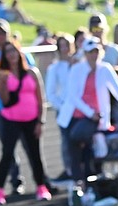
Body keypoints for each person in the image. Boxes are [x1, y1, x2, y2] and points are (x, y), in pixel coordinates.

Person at [57, 38, 118, 184]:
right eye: (90, 52)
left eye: (96, 51)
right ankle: (78, 182)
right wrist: (90, 113)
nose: (93, 55)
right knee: (74, 146)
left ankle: (90, 182)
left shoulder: (105, 69)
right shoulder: (77, 69)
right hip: (76, 116)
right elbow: (73, 96)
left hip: (95, 118)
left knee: (89, 148)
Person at [0, 37, 50, 204]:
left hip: (31, 119)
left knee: (35, 153)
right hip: (11, 119)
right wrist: (0, 83)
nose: (11, 55)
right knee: (7, 154)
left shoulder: (32, 72)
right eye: (7, 52)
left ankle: (41, 187)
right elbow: (5, 101)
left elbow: (40, 99)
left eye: (13, 50)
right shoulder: (4, 75)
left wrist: (40, 121)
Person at [0, 21, 36, 196]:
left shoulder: (21, 53)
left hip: (26, 108)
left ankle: (41, 180)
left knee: (31, 146)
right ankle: (16, 180)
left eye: (3, 32)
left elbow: (31, 73)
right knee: (9, 148)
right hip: (2, 108)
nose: (1, 36)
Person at [45, 33, 75, 181]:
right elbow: (50, 92)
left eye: (67, 45)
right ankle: (69, 168)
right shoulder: (54, 68)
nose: (65, 49)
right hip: (64, 109)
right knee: (66, 139)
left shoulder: (78, 64)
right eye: (62, 46)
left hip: (79, 109)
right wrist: (62, 107)